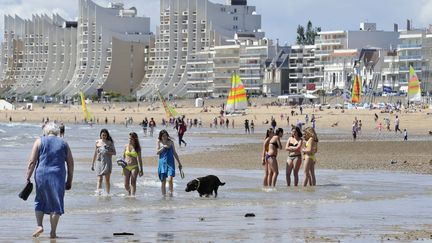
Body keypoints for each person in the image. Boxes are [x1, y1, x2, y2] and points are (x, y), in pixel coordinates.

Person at [25, 122, 74, 238]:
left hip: (41, 174)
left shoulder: (39, 141)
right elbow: (71, 163)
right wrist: (69, 180)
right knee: (56, 203)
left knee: (39, 199)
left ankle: (39, 226)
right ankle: (53, 232)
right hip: (58, 175)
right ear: (57, 131)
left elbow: (32, 162)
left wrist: (28, 176)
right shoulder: (64, 143)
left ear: (45, 131)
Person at [156, 130, 183, 196]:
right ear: (161, 136)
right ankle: (163, 196)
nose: (164, 137)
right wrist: (164, 147)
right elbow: (157, 152)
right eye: (163, 136)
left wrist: (179, 163)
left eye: (165, 135)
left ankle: (171, 194)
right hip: (162, 163)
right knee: (163, 181)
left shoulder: (171, 142)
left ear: (167, 135)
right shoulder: (159, 142)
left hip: (170, 162)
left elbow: (174, 152)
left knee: (170, 179)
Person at [91, 129, 116, 195]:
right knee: (99, 179)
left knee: (107, 180)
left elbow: (114, 153)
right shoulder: (97, 142)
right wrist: (92, 164)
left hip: (107, 162)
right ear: (100, 135)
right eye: (103, 135)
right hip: (99, 162)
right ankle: (98, 193)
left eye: (105, 135)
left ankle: (108, 194)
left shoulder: (110, 143)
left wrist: (107, 152)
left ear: (107, 135)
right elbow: (95, 153)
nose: (104, 136)